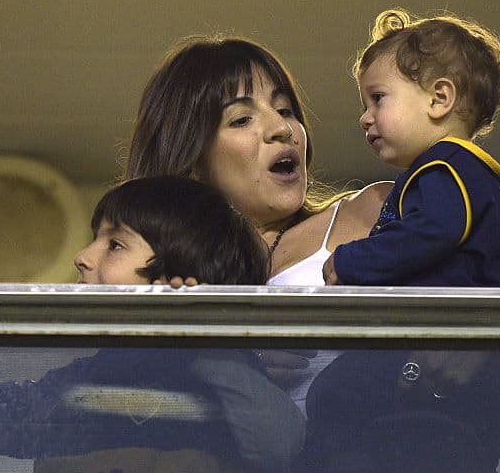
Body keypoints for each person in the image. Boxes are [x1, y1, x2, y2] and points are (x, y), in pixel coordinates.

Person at [0, 175, 306, 473]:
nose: (82, 256)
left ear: (177, 272)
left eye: (115, 244)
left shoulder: (218, 377)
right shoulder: (76, 387)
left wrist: (201, 341)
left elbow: (282, 443)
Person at [304, 8, 500, 473]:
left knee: (331, 395)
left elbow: (428, 234)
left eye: (378, 99)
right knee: (457, 458)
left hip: (420, 371)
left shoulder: (442, 170)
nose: (365, 118)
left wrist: (351, 261)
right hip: (481, 391)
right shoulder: (496, 192)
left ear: (439, 99)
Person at [124, 35, 392, 413]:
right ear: (191, 160)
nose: (282, 128)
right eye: (242, 119)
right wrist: (236, 366)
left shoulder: (374, 211)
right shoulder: (152, 278)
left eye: (284, 109)